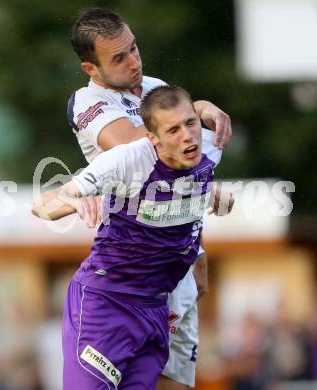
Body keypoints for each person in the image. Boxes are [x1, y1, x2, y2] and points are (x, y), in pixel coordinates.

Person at [66, 8, 232, 389]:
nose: (134, 62)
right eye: (118, 58)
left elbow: (180, 173)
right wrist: (198, 109)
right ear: (91, 68)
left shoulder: (155, 86)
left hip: (179, 251)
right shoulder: (88, 103)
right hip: (133, 267)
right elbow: (136, 148)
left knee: (177, 377)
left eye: (134, 49)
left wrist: (199, 250)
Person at [33, 85, 230, 389]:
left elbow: (185, 199)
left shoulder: (210, 147)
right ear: (152, 138)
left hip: (155, 310)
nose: (188, 136)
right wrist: (71, 201)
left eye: (191, 123)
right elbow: (41, 205)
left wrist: (211, 213)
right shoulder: (126, 160)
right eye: (173, 130)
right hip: (107, 304)